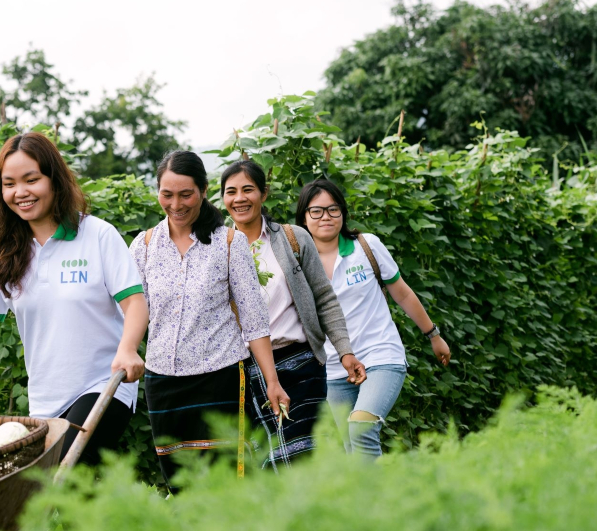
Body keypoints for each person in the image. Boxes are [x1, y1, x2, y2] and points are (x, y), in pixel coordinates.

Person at [0, 132, 148, 466]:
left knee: (69, 468)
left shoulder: (96, 235)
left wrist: (127, 348)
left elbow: (134, 301)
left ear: (54, 179)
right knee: (58, 495)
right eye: (9, 184)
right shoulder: (5, 252)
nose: (20, 192)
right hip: (45, 400)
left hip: (103, 385)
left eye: (31, 179)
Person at [130, 150, 288, 486]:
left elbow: (254, 321)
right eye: (167, 194)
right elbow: (133, 314)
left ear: (203, 190)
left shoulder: (230, 243)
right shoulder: (143, 246)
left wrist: (272, 381)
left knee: (227, 480)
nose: (176, 204)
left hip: (220, 378)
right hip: (163, 384)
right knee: (180, 482)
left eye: (186, 194)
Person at [220, 160, 368, 469]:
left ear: (264, 193)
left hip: (301, 366)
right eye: (230, 191)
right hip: (247, 372)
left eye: (248, 189)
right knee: (266, 462)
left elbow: (325, 299)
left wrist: (345, 351)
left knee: (314, 457)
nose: (239, 198)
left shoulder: (293, 239)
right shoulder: (219, 249)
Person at [295, 179, 451, 458]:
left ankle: (373, 502)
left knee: (361, 428)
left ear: (343, 213)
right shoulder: (299, 262)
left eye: (333, 210)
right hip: (333, 367)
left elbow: (402, 294)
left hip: (381, 354)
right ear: (304, 218)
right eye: (316, 211)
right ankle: (373, 497)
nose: (326, 217)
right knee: (351, 448)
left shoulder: (366, 247)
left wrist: (433, 335)